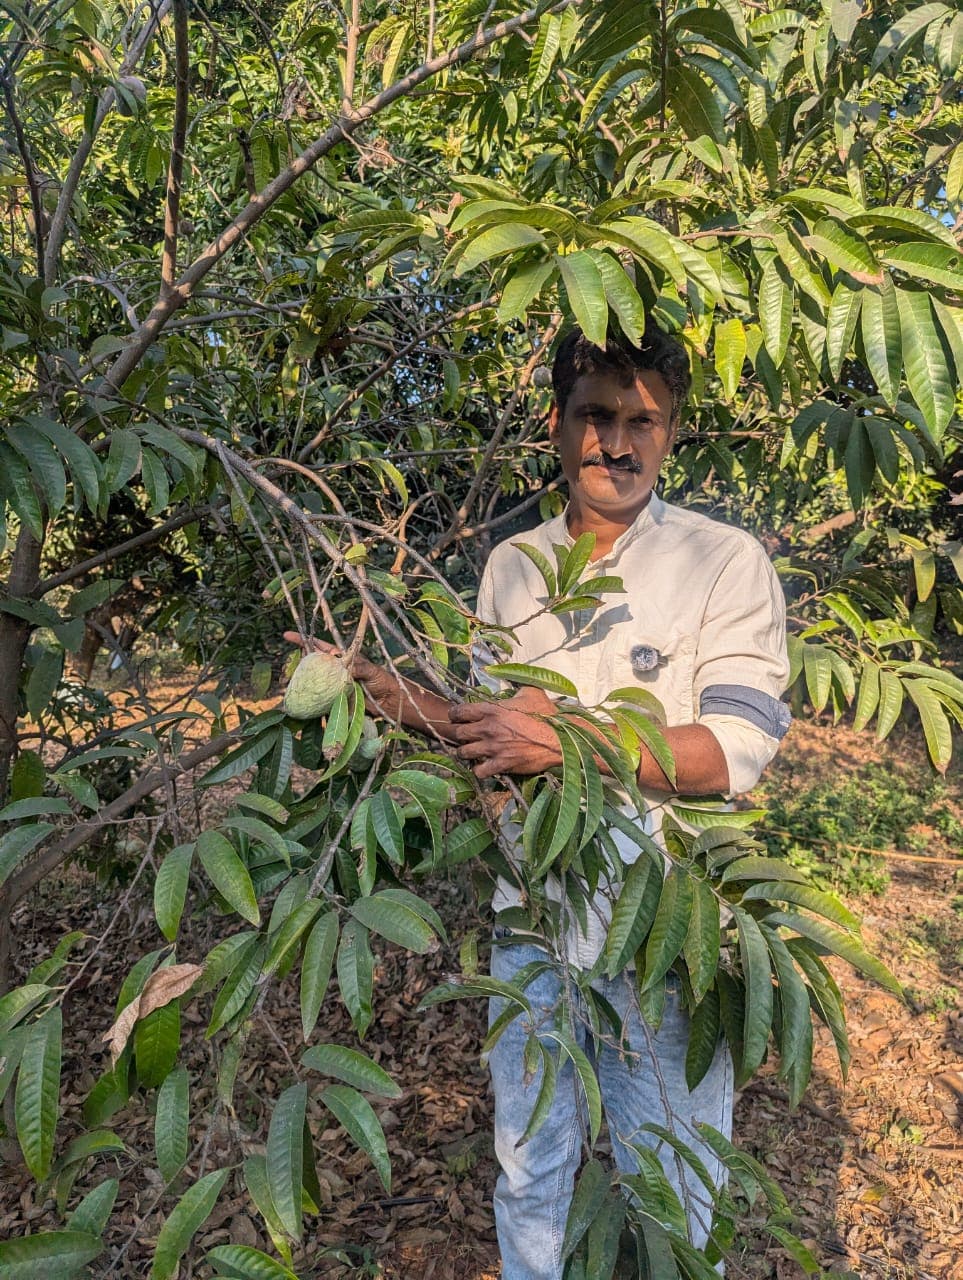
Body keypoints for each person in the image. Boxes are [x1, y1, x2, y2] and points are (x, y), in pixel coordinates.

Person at [287, 322, 790, 1278]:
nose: (617, 442)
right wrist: (390, 697)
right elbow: (493, 734)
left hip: (666, 931)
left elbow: (733, 749)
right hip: (532, 924)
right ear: (556, 428)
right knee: (530, 1170)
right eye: (596, 416)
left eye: (642, 421)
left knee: (675, 1190)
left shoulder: (723, 561)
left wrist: (563, 743)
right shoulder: (512, 568)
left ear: (671, 435)